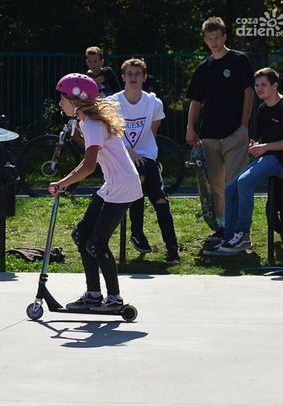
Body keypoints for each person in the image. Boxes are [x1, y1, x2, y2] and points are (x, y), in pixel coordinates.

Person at [49, 73, 143, 310]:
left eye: (63, 99)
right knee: (82, 236)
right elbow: (88, 160)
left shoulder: (92, 124)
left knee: (97, 244)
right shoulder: (87, 122)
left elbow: (89, 166)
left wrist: (63, 183)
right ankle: (93, 295)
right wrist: (65, 181)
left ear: (76, 100)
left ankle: (114, 299)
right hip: (113, 184)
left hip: (122, 186)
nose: (60, 103)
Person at [186, 16, 255, 243]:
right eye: (210, 38)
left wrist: (244, 125)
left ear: (224, 37)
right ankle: (224, 227)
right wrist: (190, 127)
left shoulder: (239, 60)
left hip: (235, 132)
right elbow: (195, 101)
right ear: (205, 40)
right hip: (209, 135)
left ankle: (239, 230)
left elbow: (248, 92)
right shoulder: (203, 68)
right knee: (216, 184)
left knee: (236, 183)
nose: (214, 42)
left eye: (217, 37)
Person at [106, 58, 180, 264]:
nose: (133, 78)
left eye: (137, 74)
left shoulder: (153, 103)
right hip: (122, 158)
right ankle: (137, 233)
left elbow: (151, 136)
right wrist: (130, 154)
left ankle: (171, 248)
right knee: (138, 179)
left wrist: (141, 156)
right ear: (123, 77)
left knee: (159, 199)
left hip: (146, 159)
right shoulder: (112, 102)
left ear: (144, 77)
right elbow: (111, 136)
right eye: (129, 73)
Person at [206, 67, 283, 255]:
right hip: (268, 158)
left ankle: (243, 235)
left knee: (244, 182)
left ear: (275, 86)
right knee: (230, 188)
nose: (259, 89)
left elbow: (271, 145)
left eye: (263, 85)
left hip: (279, 160)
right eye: (256, 85)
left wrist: (265, 147)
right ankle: (229, 238)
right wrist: (256, 145)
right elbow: (264, 139)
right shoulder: (262, 109)